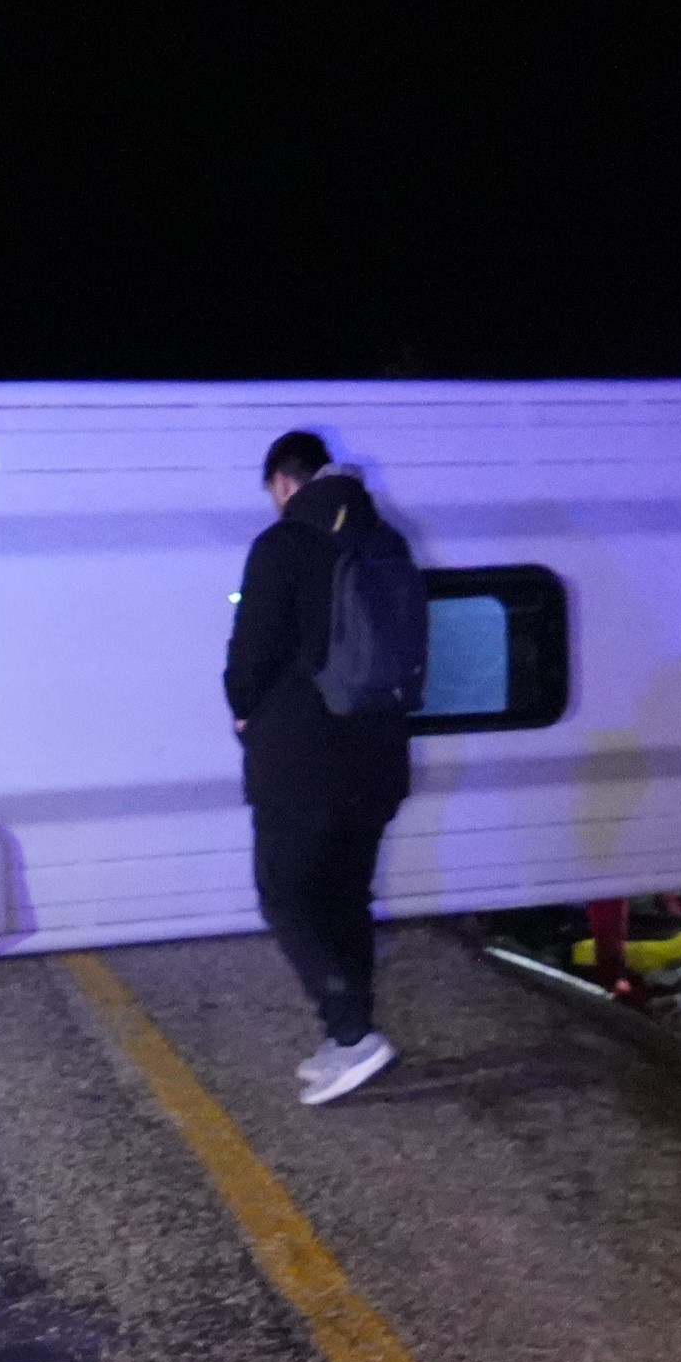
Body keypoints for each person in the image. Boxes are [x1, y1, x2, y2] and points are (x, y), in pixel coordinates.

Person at [223, 430, 416, 1105]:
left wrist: (243, 708)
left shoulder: (283, 544)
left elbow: (251, 652)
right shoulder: (387, 540)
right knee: (346, 896)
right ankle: (347, 1039)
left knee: (285, 893)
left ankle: (354, 1034)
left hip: (302, 756)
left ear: (282, 482)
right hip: (380, 750)